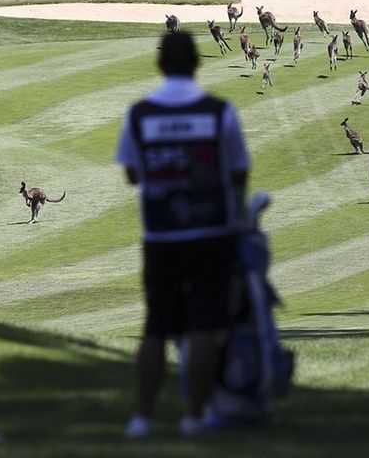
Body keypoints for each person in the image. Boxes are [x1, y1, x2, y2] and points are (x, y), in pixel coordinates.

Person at [115, 32, 250, 437]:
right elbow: (239, 172)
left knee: (157, 325)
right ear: (196, 63)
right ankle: (195, 415)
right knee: (205, 323)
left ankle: (142, 418)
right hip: (212, 231)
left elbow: (132, 173)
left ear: (161, 65)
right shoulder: (218, 112)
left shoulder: (140, 114)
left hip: (161, 234)